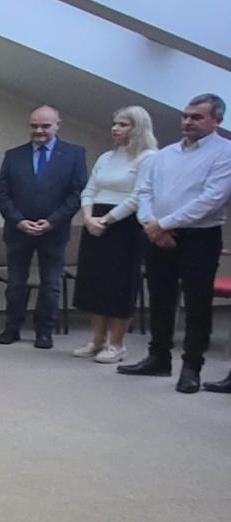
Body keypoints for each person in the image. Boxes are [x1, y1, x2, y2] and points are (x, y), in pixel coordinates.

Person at [121, 94, 231, 394]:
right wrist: (151, 224)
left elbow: (211, 199)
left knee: (197, 303)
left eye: (197, 117)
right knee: (160, 298)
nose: (188, 121)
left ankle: (192, 367)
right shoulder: (165, 154)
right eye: (185, 116)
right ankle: (158, 358)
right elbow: (144, 191)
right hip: (157, 234)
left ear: (216, 121)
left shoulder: (225, 152)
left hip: (199, 237)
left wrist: (164, 224)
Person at [0, 105, 87, 349]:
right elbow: (2, 194)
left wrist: (53, 221)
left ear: (57, 125)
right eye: (34, 126)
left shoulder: (74, 154)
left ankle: (44, 331)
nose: (39, 131)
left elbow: (77, 193)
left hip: (54, 231)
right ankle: (12, 328)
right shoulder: (14, 155)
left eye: (45, 126)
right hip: (18, 230)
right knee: (16, 284)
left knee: (51, 285)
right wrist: (18, 220)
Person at [70, 106, 158, 364]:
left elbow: (138, 196)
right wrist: (88, 218)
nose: (115, 128)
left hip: (124, 226)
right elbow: (89, 190)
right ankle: (97, 340)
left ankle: (117, 344)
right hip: (94, 223)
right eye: (114, 123)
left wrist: (107, 220)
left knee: (119, 285)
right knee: (95, 282)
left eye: (122, 124)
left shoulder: (148, 157)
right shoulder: (107, 157)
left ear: (138, 128)